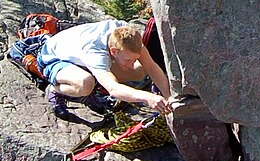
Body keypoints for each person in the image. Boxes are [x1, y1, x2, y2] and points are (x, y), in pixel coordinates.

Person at [37, 18, 171, 117]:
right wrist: (148, 98)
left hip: (79, 54)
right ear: (114, 51)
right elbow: (113, 89)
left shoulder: (127, 35)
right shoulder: (95, 53)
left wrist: (169, 98)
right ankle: (55, 90)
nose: (131, 64)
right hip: (53, 58)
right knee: (85, 83)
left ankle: (97, 80)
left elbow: (151, 67)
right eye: (128, 60)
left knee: (139, 71)